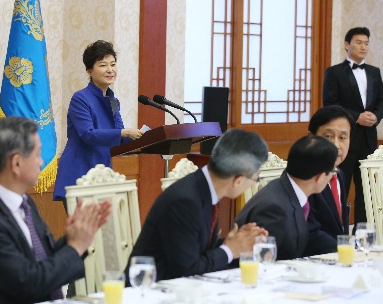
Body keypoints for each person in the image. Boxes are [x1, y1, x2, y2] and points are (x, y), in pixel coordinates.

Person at [0, 117, 112, 304]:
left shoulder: (23, 201)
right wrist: (75, 246)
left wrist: (72, 239)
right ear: (16, 163)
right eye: (38, 154)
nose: (41, 162)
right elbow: (29, 284)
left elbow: (43, 263)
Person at [124, 129, 269, 281]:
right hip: (148, 291)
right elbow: (186, 270)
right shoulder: (185, 201)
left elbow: (194, 246)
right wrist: (230, 250)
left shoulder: (204, 187)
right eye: (255, 178)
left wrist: (236, 242)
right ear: (238, 180)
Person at [53, 40, 143, 207]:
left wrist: (146, 138)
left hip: (102, 174)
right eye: (103, 65)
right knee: (85, 232)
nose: (110, 70)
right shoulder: (80, 98)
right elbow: (88, 134)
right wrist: (124, 133)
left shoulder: (113, 100)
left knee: (105, 232)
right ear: (89, 70)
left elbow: (119, 137)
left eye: (113, 64)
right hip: (79, 172)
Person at [235, 136, 338, 260]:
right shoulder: (274, 209)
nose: (333, 175)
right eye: (332, 170)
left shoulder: (289, 190)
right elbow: (265, 261)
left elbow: (310, 235)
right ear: (320, 177)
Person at [323, 27, 383, 226]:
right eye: (359, 42)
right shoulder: (334, 72)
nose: (363, 47)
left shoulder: (375, 72)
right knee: (341, 186)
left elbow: (381, 101)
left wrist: (375, 116)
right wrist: (357, 116)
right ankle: (337, 232)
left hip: (368, 139)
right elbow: (330, 104)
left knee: (367, 191)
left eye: (366, 43)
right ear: (347, 44)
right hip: (344, 139)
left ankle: (362, 234)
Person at [306, 106, 354, 245]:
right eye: (328, 136)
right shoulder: (303, 177)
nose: (336, 145)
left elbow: (340, 229)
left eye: (343, 137)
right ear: (311, 138)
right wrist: (346, 249)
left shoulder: (339, 174)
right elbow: (309, 232)